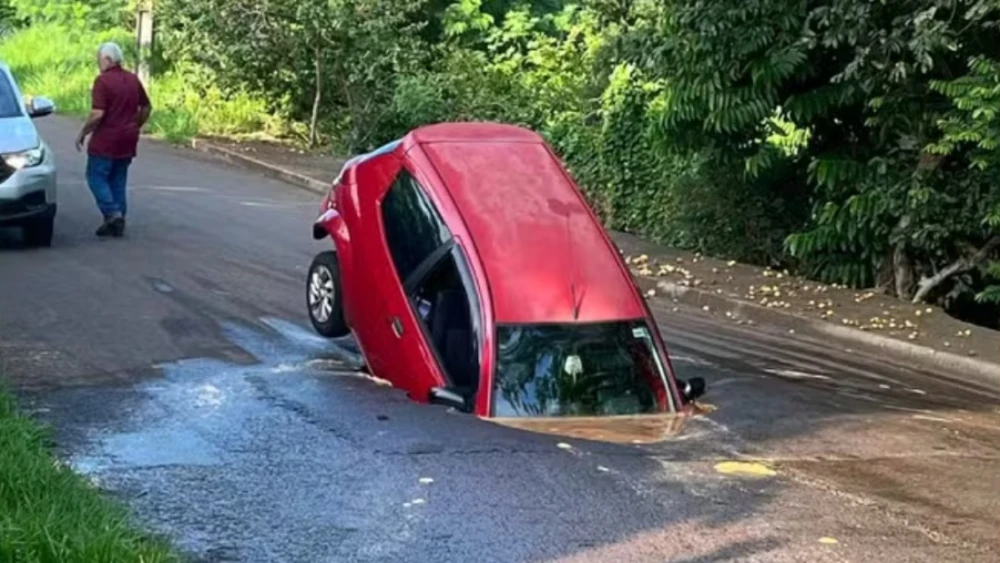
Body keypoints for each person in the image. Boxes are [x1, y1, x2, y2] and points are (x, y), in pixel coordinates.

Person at [75, 42, 152, 238]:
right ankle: (118, 219)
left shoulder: (103, 81)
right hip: (128, 138)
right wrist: (136, 125)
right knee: (118, 177)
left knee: (96, 176)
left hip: (106, 138)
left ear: (108, 59)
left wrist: (83, 133)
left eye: (99, 59)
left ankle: (112, 212)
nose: (98, 63)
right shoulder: (133, 79)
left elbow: (97, 114)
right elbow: (146, 107)